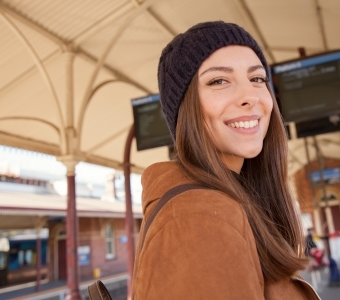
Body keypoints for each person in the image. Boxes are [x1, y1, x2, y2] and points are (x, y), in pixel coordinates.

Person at [132, 21, 320, 300]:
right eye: (219, 81)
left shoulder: (232, 203)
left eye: (257, 79)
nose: (250, 96)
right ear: (185, 109)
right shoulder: (198, 217)